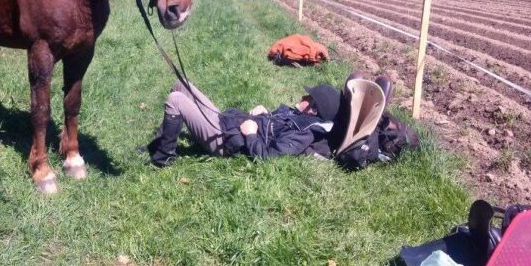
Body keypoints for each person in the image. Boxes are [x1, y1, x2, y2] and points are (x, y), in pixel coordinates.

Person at [147, 72, 418, 168]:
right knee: (180, 85)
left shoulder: (304, 134)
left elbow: (269, 157)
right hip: (226, 122)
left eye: (307, 97)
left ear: (313, 110)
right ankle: (164, 140)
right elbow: (276, 124)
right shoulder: (295, 114)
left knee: (175, 101)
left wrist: (252, 134)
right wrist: (264, 115)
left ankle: (163, 157)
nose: (302, 97)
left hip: (223, 140)